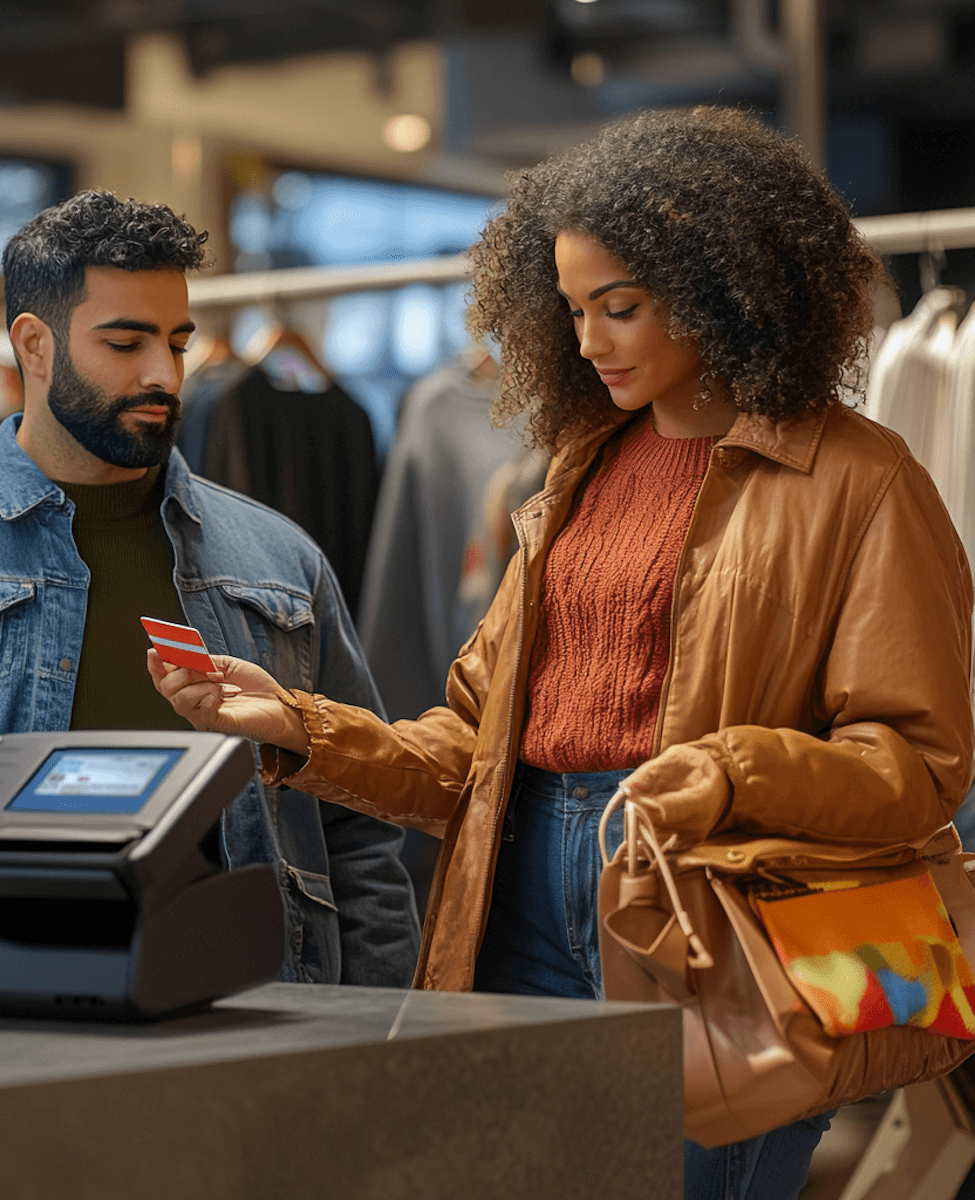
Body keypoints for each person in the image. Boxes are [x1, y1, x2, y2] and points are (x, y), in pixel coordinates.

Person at [149, 108, 975, 1198]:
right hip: (518, 894)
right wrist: (298, 726)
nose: (589, 342)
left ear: (724, 289)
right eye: (574, 310)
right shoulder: (577, 477)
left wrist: (732, 773)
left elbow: (918, 763)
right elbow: (476, 747)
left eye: (619, 308)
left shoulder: (861, 482)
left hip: (715, 911)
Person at [0, 190, 420, 987]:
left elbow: (360, 835)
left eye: (177, 343)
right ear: (34, 345)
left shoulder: (280, 560)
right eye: (125, 342)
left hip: (252, 1016)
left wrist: (381, 1032)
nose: (163, 374)